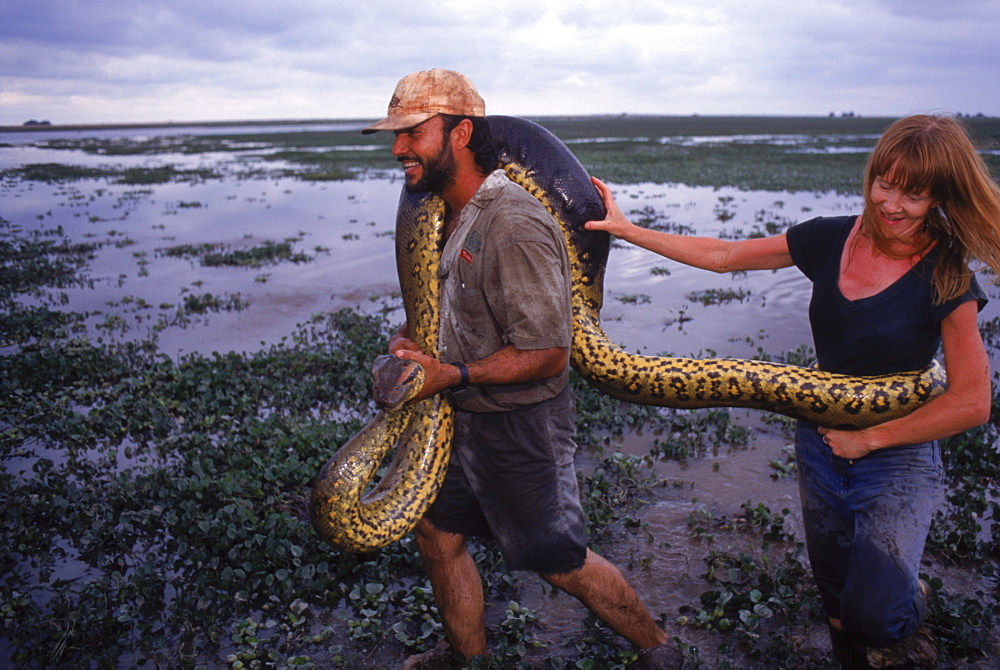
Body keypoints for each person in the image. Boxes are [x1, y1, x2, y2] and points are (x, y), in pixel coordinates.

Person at [584, 114, 1000, 668]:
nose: (891, 204)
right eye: (884, 182)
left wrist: (871, 440)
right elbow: (726, 256)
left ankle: (911, 601)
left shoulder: (946, 272)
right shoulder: (831, 237)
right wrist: (629, 229)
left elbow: (972, 400)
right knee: (835, 599)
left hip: (896, 454)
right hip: (821, 442)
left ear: (940, 197)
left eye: (914, 194)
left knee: (875, 614)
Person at [362, 69, 677, 669]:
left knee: (560, 563)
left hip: (521, 426)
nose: (399, 148)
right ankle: (466, 656)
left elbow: (549, 354)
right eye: (395, 134)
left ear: (461, 134)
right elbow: (458, 313)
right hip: (464, 420)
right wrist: (412, 342)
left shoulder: (513, 223)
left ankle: (659, 651)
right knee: (436, 534)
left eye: (412, 133)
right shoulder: (448, 216)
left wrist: (448, 375)